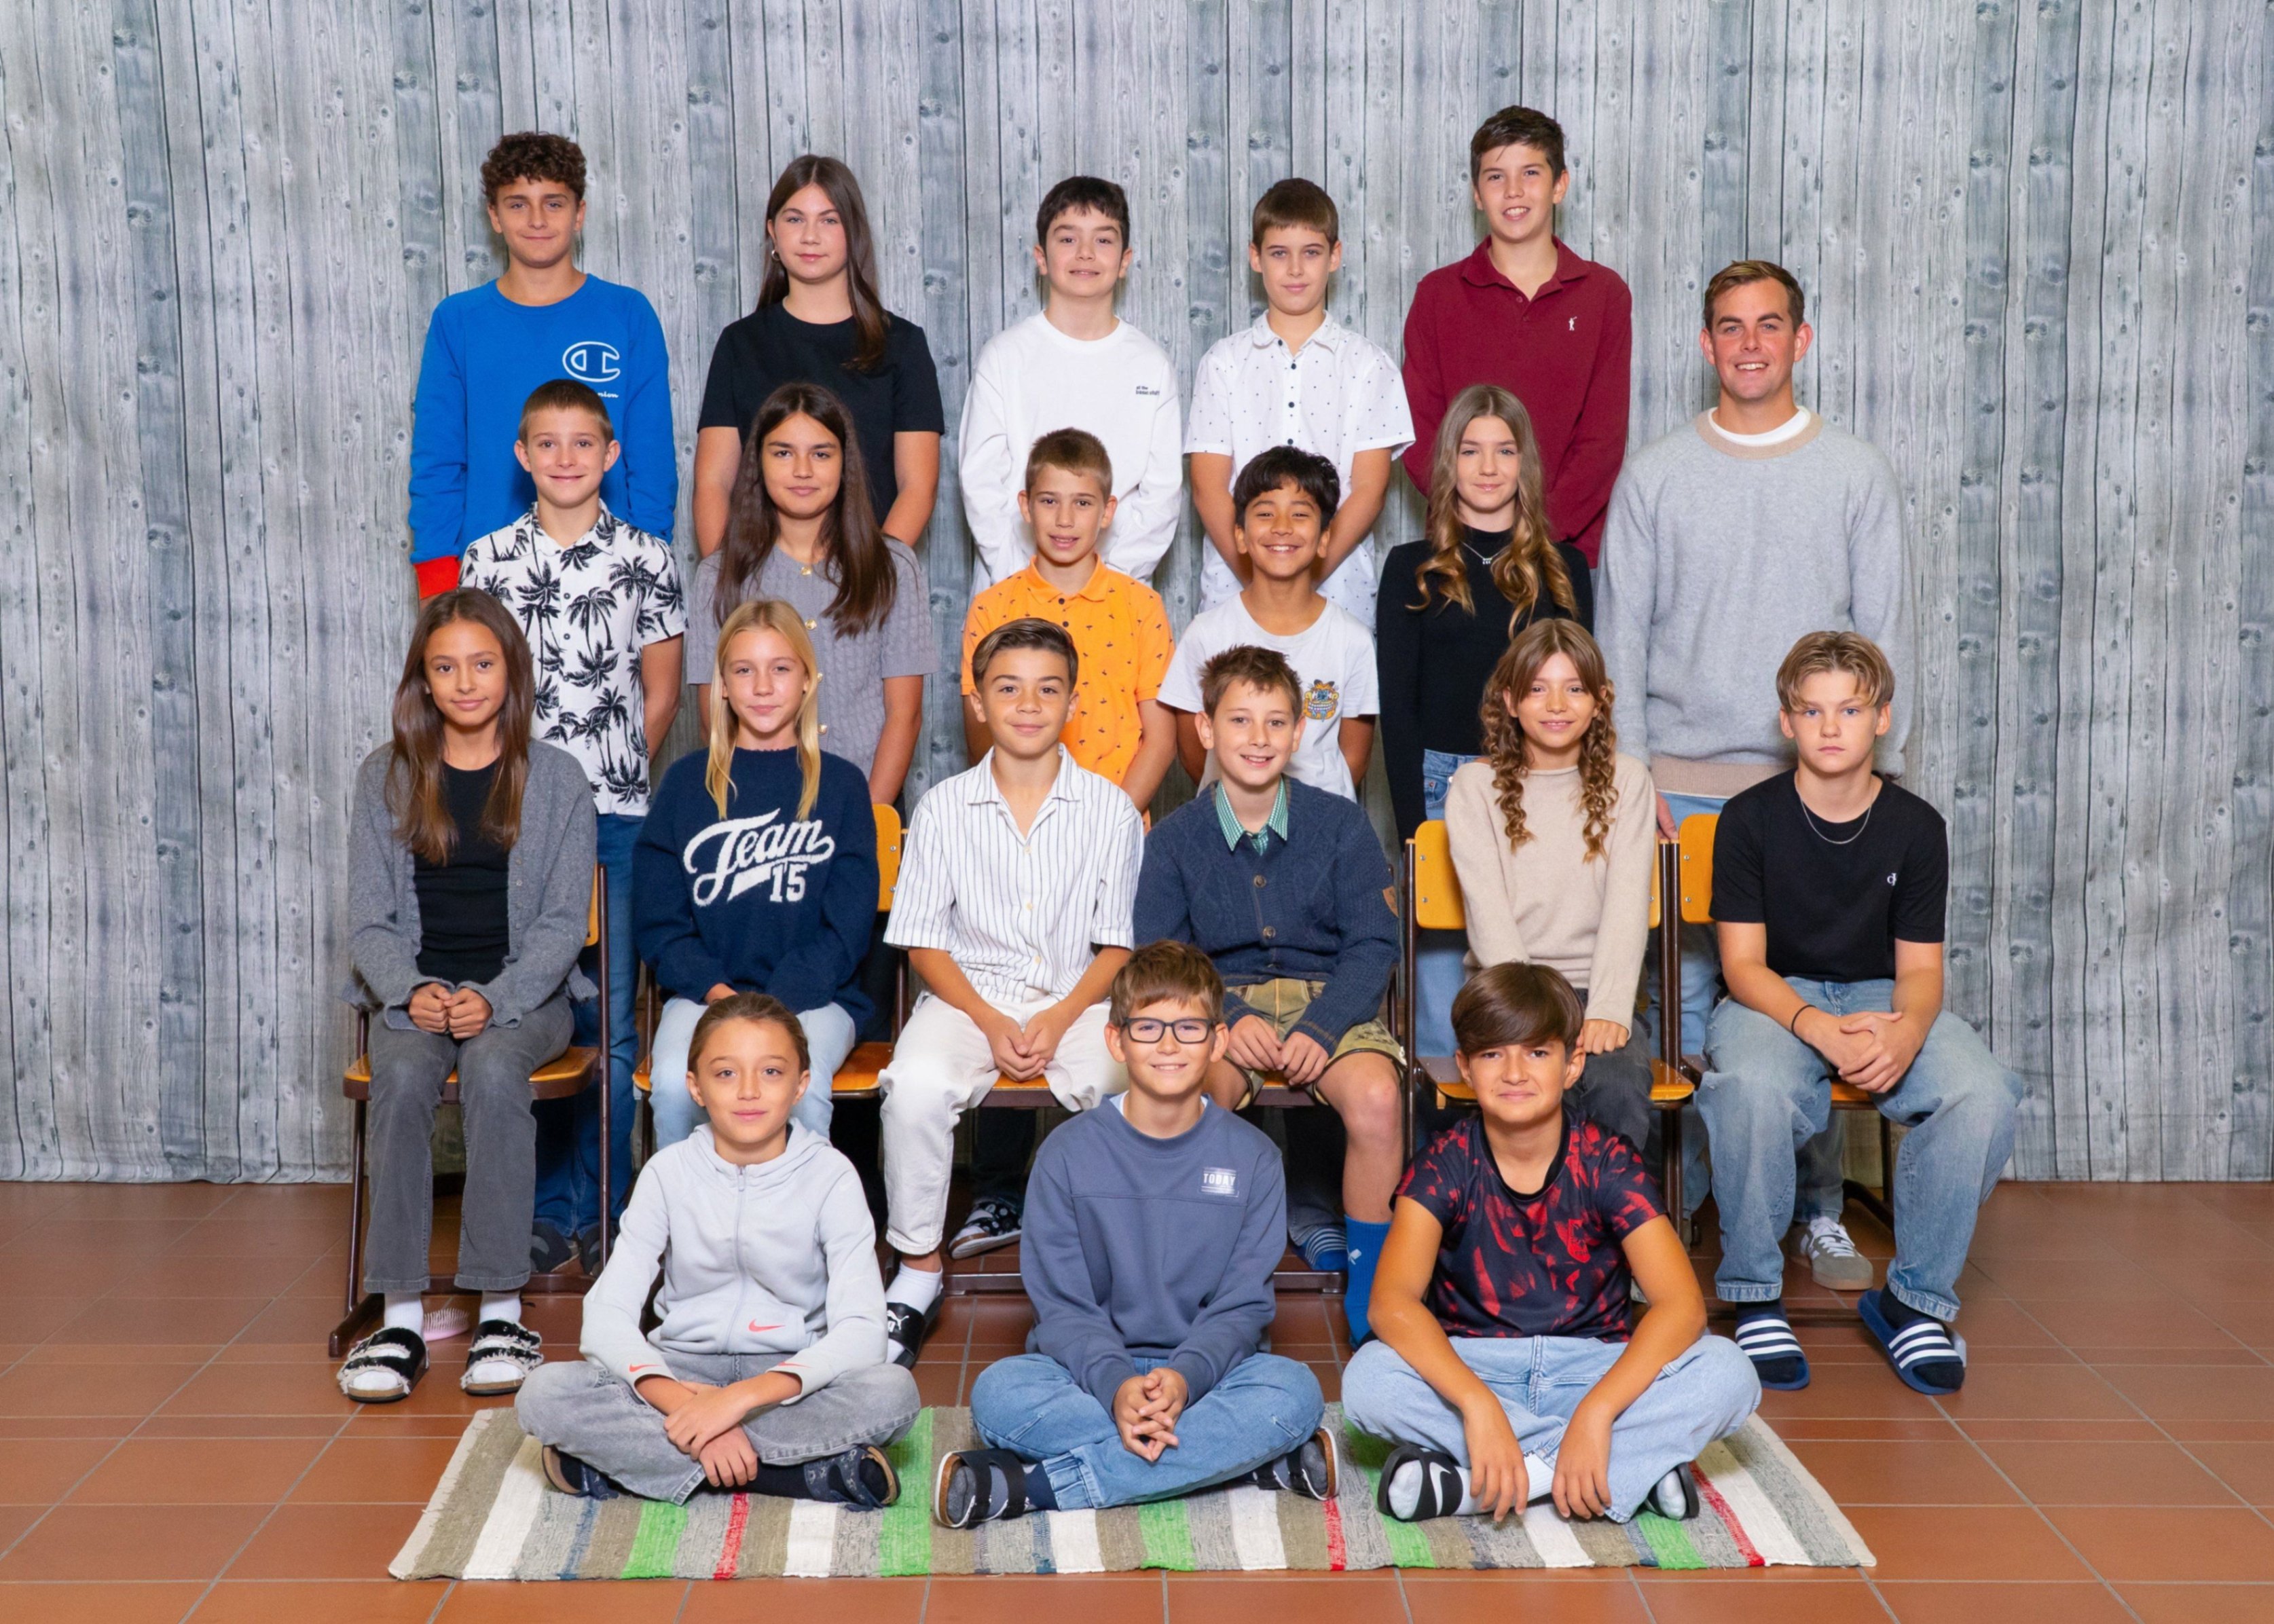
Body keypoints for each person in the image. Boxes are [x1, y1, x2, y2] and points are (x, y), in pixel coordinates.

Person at [1597, 258, 1915, 1282]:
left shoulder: (1854, 471)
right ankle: (1689, 1207)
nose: (1749, 344)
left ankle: (1814, 1209)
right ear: (1706, 345)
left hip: (1816, 788)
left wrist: (1873, 782)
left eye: (1768, 325)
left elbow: (1886, 635)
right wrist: (1631, 774)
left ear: (1799, 340)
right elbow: (1620, 635)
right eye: (1730, 327)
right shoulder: (1655, 475)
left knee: (1814, 993)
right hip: (1682, 785)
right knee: (1688, 1011)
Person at [1699, 633, 2019, 1395]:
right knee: (1747, 1088)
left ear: (1881, 718)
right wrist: (1813, 1024)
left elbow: (1920, 971)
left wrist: (1907, 1032)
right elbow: (1742, 965)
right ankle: (1755, 1296)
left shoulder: (1917, 827)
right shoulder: (1747, 819)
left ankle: (1913, 1303)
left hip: (1883, 994)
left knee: (1982, 1093)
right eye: (1812, 711)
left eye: (1849, 709)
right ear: (1786, 722)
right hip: (1774, 997)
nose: (1830, 726)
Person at [1342, 963, 1759, 1525]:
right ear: (1464, 1067)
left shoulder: (1609, 1162)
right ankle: (1624, 1469)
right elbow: (1390, 1303)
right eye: (1492, 1054)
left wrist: (1598, 1412)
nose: (1514, 1072)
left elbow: (1681, 1306)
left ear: (1572, 1064)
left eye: (1537, 1053)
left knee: (1729, 1371)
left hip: (1592, 1367)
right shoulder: (1443, 1164)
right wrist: (1476, 1404)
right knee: (1368, 1380)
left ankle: (1482, 1484)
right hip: (1476, 1363)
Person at [937, 942, 1336, 1526]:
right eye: (1147, 1027)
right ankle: (1241, 1464)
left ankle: (1038, 1488)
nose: (1168, 1045)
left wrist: (1184, 1379)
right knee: (999, 1394)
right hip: (1087, 1373)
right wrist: (1117, 1386)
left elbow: (1241, 1307)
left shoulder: (1254, 1158)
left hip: (1210, 1374)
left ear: (1218, 1042)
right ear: (1116, 1041)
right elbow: (1064, 1308)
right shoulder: (1065, 1153)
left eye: (1188, 1028)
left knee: (1293, 1392)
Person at [336, 589, 595, 1403]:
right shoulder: (384, 775)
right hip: (417, 994)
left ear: (510, 671)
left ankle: (500, 1309)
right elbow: (368, 920)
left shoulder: (556, 779)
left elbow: (563, 924)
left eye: (482, 664)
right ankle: (400, 1316)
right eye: (445, 667)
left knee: (491, 1068)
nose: (466, 682)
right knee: (402, 1073)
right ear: (423, 678)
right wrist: (409, 989)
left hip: (525, 995)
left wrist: (499, 996)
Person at [517, 993, 919, 1506]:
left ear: (801, 1085)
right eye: (726, 1073)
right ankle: (789, 1475)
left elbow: (862, 1331)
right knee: (545, 1393)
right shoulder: (667, 1172)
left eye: (771, 1072)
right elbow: (606, 1315)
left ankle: (640, 1464)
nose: (749, 1091)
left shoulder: (832, 1176)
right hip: (681, 1372)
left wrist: (737, 1402)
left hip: (786, 1378)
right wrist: (681, 1401)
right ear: (695, 1087)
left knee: (892, 1392)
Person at [875, 619, 1145, 1367]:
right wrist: (991, 1019)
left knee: (1127, 1084)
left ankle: (1111, 1275)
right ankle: (917, 1271)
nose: (1028, 705)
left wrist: (1059, 1016)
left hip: (1079, 999)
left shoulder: (1110, 809)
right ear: (979, 703)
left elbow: (1117, 945)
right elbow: (924, 941)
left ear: (1072, 703)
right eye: (1008, 688)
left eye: (1047, 689)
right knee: (915, 1086)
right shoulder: (942, 807)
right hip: (967, 1001)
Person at [460, 379, 684, 1271]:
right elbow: (473, 689)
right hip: (514, 826)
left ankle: (608, 1210)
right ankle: (548, 1209)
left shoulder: (646, 558)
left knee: (611, 1026)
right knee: (535, 1006)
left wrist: (615, 773)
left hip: (616, 821)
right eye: (546, 444)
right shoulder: (488, 560)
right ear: (523, 456)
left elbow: (660, 691)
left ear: (610, 454)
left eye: (582, 443)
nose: (565, 458)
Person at [1137, 645, 1405, 1342]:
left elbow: (1373, 943)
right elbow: (1164, 957)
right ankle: (1209, 1285)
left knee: (1379, 1099)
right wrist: (1228, 1013)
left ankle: (1374, 1295)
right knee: (1192, 1098)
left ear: (1298, 732)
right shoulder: (1173, 840)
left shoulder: (1340, 823)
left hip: (1330, 999)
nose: (1258, 738)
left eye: (1275, 722)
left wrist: (1324, 1024)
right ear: (1205, 729)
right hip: (1218, 1005)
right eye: (1239, 720)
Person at [1378, 384, 1590, 1060]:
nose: (1489, 466)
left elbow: (1580, 697)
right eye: (1471, 450)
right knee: (1444, 997)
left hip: (1543, 786)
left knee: (1530, 972)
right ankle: (1441, 1121)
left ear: (1525, 463)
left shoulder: (1565, 569)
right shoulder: (1410, 568)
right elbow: (1397, 710)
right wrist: (1414, 833)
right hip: (1440, 787)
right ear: (1449, 462)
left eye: (1504, 450)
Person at [634, 601, 880, 1151]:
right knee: (674, 1085)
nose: (763, 686)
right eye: (744, 670)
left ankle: (801, 1211)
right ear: (722, 685)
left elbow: (846, 929)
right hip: (704, 997)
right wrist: (722, 996)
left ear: (808, 679)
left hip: (816, 999)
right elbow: (660, 925)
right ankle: (687, 1211)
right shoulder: (684, 784)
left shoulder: (841, 786)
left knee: (799, 1089)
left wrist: (773, 1006)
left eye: (781, 668)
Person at [409, 131, 675, 596]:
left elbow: (651, 462)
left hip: (610, 580)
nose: (536, 219)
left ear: (579, 213)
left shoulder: (628, 315)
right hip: (487, 582)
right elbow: (438, 464)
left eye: (553, 203)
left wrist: (648, 573)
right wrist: (437, 588)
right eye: (518, 204)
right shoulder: (458, 321)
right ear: (494, 216)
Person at [1445, 621, 1655, 1151]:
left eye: (1574, 688)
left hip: (1597, 993)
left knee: (1617, 1085)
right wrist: (1532, 1016)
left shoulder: (1628, 780)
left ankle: (1607, 1204)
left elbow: (1627, 906)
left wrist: (1608, 1008)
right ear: (1510, 701)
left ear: (1599, 701)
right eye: (1537, 688)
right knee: (1521, 1084)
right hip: (1507, 990)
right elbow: (1488, 916)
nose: (1556, 704)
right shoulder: (1474, 786)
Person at [1399, 107, 1630, 572]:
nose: (1513, 191)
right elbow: (1419, 432)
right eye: (1495, 177)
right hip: (1460, 549)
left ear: (1559, 185)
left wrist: (1533, 534)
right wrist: (1480, 527)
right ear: (1476, 194)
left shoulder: (1604, 294)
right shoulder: (1437, 295)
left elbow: (1601, 442)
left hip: (1564, 553)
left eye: (1530, 173)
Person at [690, 382, 932, 807]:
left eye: (821, 454)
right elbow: (714, 719)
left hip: (868, 804)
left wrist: (867, 818)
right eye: (783, 453)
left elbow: (905, 715)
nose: (803, 470)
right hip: (757, 810)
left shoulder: (893, 566)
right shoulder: (718, 576)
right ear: (758, 463)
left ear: (845, 463)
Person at [1186, 179, 1412, 629]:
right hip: (1236, 592)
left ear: (1334, 256)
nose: (1294, 269)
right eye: (1278, 253)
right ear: (1255, 258)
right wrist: (1260, 583)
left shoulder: (1369, 365)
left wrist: (1301, 583)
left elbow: (1368, 490)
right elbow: (1208, 488)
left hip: (1338, 593)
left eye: (1310, 252)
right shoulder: (1222, 362)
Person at [692, 155, 944, 558]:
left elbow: (918, 487)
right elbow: (713, 483)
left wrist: (871, 577)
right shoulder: (739, 344)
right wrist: (729, 582)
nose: (810, 236)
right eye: (795, 219)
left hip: (867, 577)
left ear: (854, 231)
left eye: (829, 220)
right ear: (772, 232)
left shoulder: (903, 345)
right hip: (758, 582)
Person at [959, 175, 1182, 589]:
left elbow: (1161, 496)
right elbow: (982, 485)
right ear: (1041, 258)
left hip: (1117, 595)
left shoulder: (1151, 365)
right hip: (1014, 591)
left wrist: (1109, 585)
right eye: (1067, 239)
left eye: (1103, 240)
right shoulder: (1004, 357)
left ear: (1125, 261)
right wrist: (1025, 583)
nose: (1085, 253)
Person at [960, 428, 1177, 809]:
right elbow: (981, 736)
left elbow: (1161, 741)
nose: (1064, 519)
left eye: (1082, 503)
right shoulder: (992, 607)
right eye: (1049, 501)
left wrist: (1113, 824)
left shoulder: (1142, 607)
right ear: (1026, 506)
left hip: (1117, 822)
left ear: (1107, 511)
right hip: (1018, 820)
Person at [1159, 445, 1377, 802]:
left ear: (1324, 538)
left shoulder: (1352, 638)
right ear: (1241, 535)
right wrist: (1248, 804)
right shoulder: (1206, 633)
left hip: (1319, 823)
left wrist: (1312, 817)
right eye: (1265, 513)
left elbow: (1354, 757)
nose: (1282, 528)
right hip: (1229, 821)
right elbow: (1193, 750)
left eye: (1300, 514)